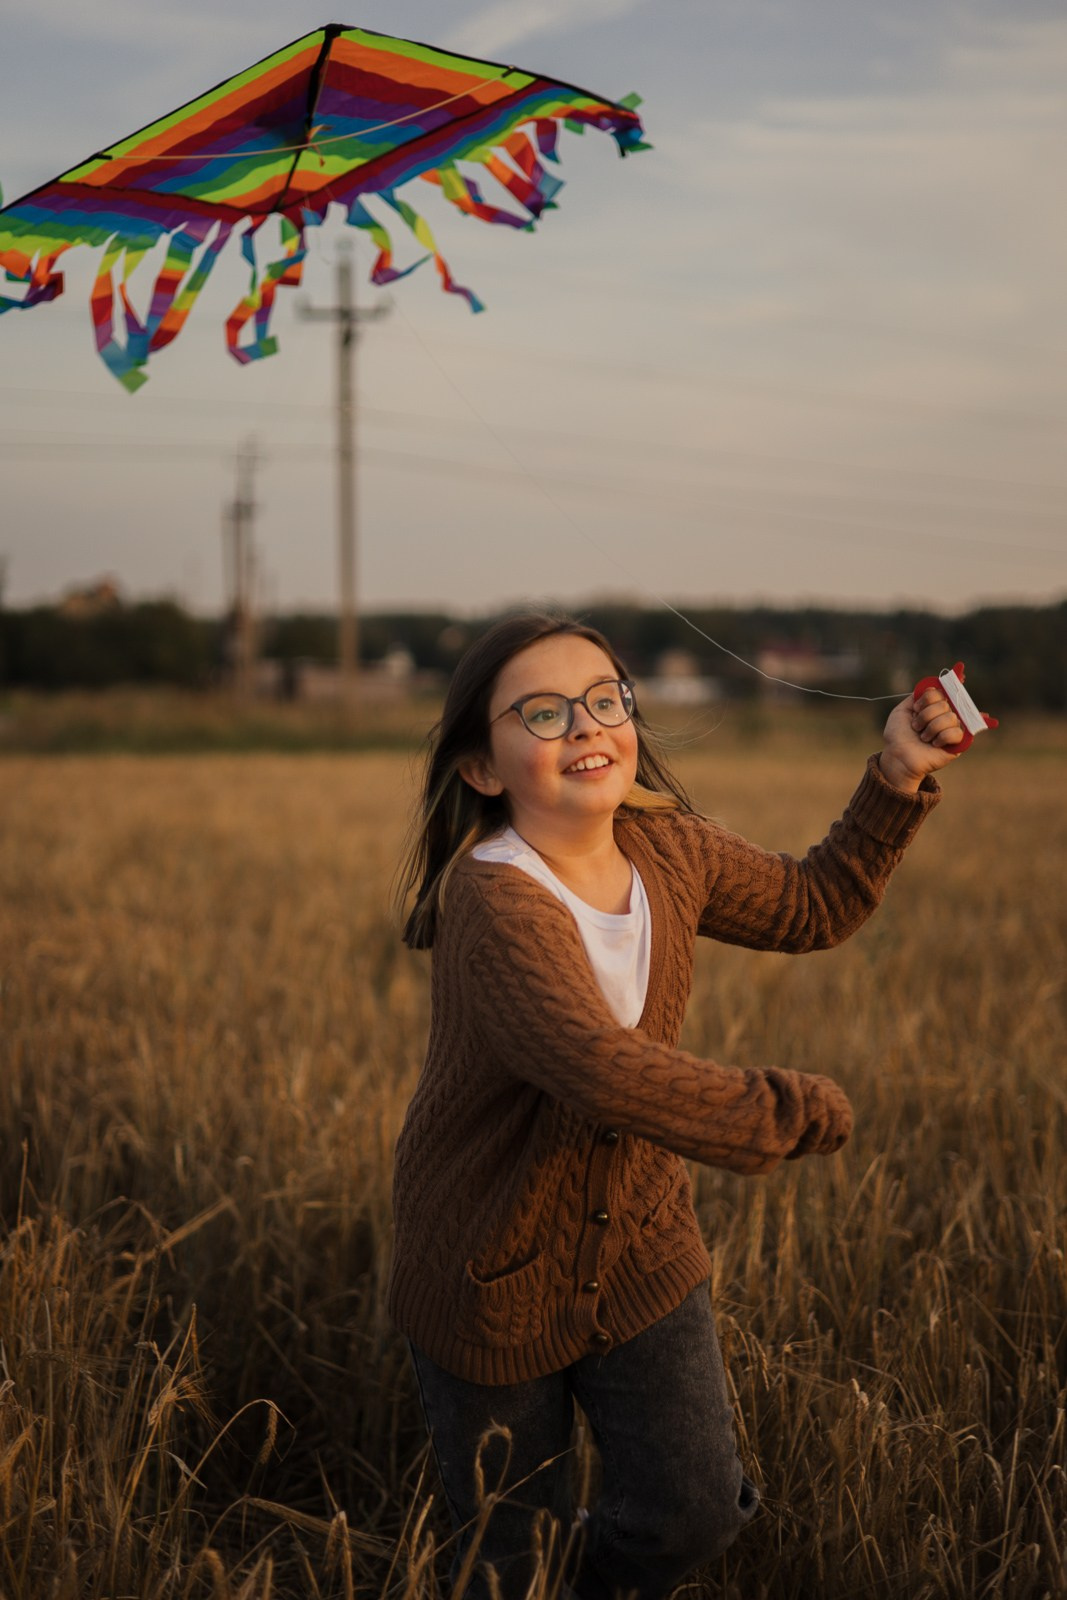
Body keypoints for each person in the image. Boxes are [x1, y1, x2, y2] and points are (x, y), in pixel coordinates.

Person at [389, 611, 961, 1600]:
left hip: (640, 1242)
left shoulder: (667, 849)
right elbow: (597, 1067)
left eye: (605, 698)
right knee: (502, 1554)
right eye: (542, 711)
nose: (586, 725)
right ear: (482, 767)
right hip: (487, 1260)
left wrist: (896, 770)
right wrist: (775, 1105)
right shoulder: (493, 904)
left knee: (691, 1507)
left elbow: (812, 903)